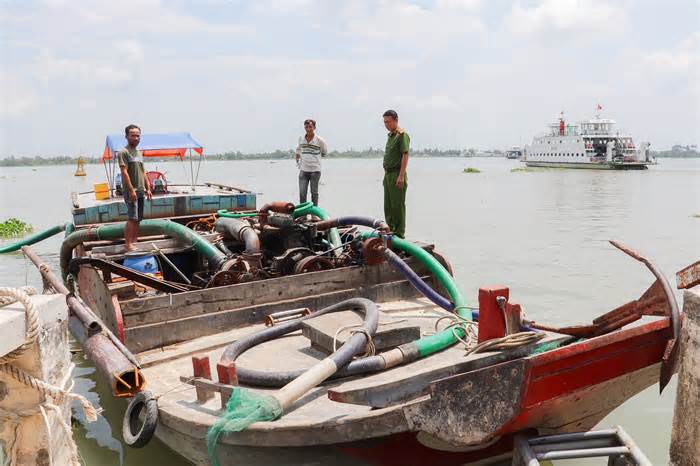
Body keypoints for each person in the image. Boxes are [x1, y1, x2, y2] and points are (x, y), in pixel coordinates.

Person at [117, 124, 152, 251]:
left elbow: (143, 171)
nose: (136, 138)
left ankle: (134, 241)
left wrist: (148, 188)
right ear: (127, 136)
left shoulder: (139, 153)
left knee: (138, 218)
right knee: (132, 218)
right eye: (133, 135)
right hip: (131, 190)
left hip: (141, 190)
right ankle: (128, 244)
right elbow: (124, 172)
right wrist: (131, 190)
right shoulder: (123, 152)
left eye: (138, 136)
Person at [382, 109, 410, 238]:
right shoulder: (390, 136)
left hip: (397, 174)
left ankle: (399, 233)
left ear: (396, 120)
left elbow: (405, 155)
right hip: (388, 175)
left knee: (397, 205)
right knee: (388, 206)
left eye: (388, 122)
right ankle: (391, 230)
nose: (386, 124)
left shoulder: (401, 135)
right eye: (385, 122)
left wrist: (401, 176)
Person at [295, 119, 327, 206]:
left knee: (314, 193)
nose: (308, 129)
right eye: (306, 127)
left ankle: (314, 214)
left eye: (310, 127)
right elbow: (298, 150)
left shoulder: (319, 140)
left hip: (315, 171)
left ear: (314, 127)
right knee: (302, 193)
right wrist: (297, 157)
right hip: (303, 170)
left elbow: (324, 152)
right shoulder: (301, 139)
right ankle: (303, 215)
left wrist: (315, 158)